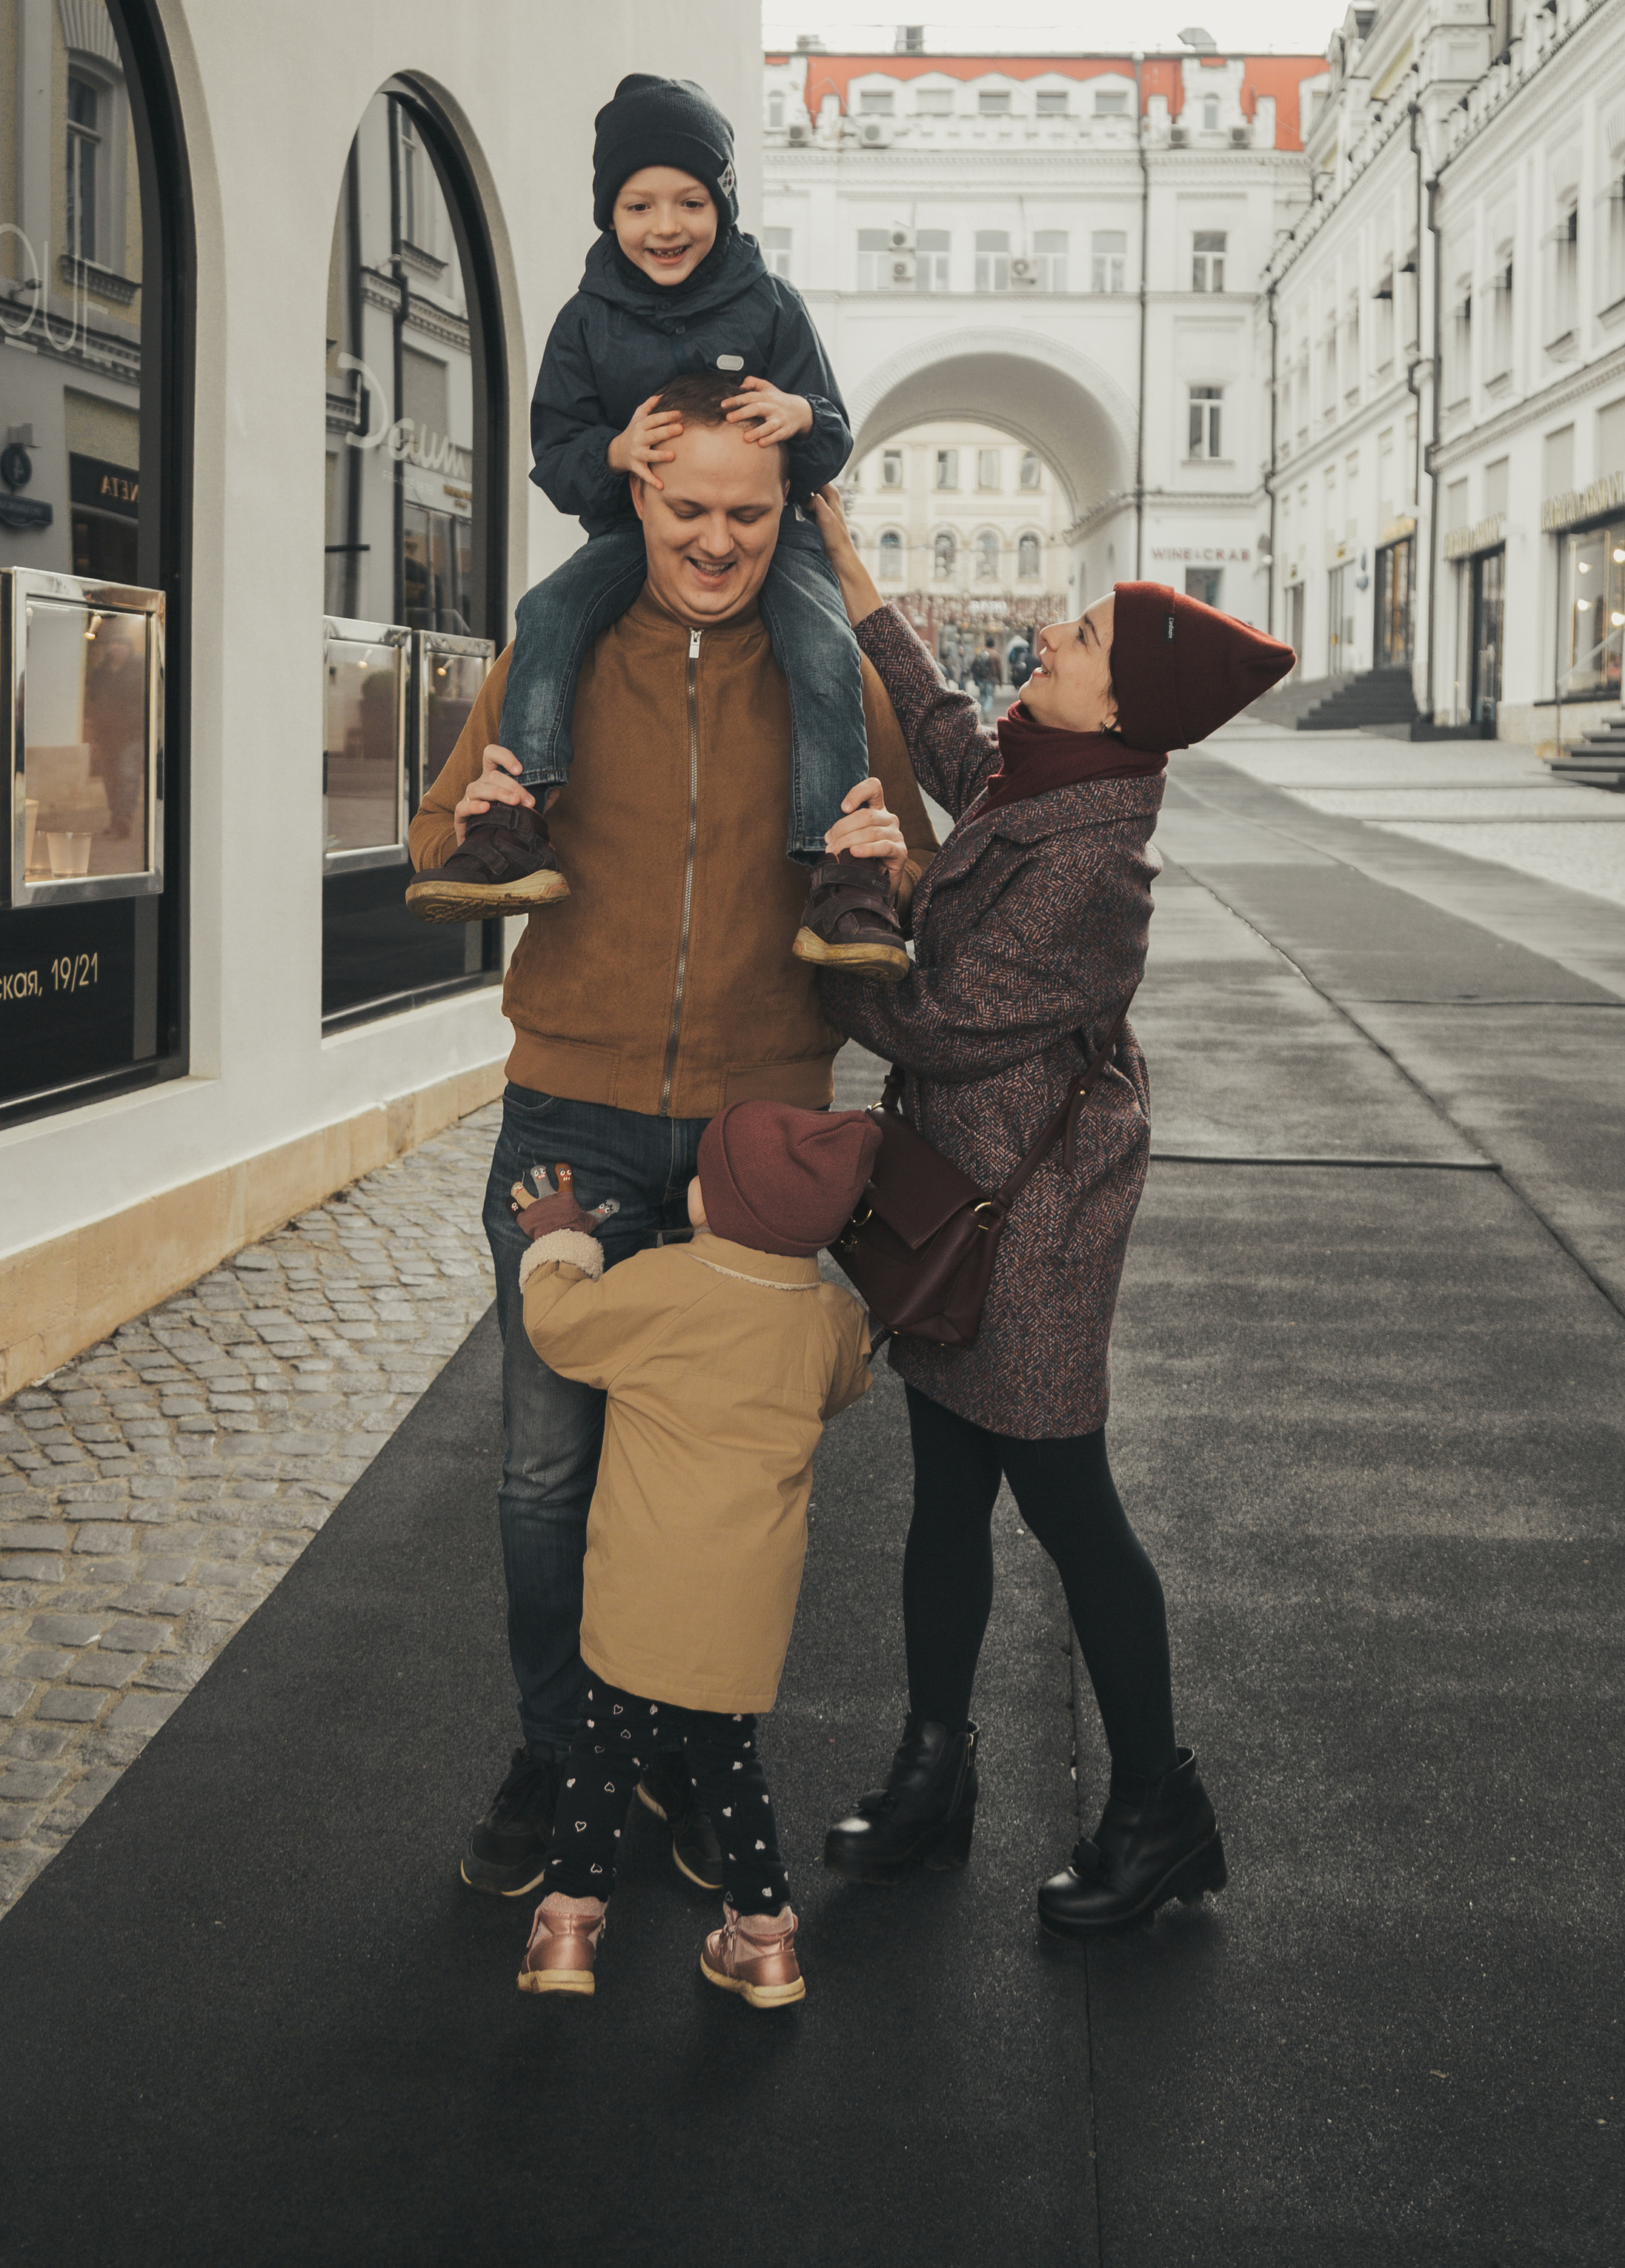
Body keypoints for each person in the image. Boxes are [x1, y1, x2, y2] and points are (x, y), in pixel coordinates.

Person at [405, 387, 937, 1899]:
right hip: (566, 1114)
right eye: (687, 508)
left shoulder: (829, 673)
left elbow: (913, 900)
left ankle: (692, 1750)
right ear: (635, 500)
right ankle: (560, 1746)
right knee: (541, 1475)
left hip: (755, 1129)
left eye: (747, 515)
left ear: (786, 517)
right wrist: (481, 814)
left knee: (724, 1480)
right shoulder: (553, 657)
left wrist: (890, 878)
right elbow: (434, 843)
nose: (715, 541)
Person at [806, 488, 1293, 1937]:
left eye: (1073, 636)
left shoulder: (1093, 858)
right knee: (944, 1499)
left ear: (1120, 697)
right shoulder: (1036, 775)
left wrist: (838, 906)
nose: (1042, 636)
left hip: (1029, 1225)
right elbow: (943, 735)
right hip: (963, 1198)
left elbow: (940, 1024)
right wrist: (849, 576)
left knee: (1072, 1511)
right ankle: (932, 1773)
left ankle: (1156, 1811)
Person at [406, 74, 895, 975]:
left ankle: (843, 874)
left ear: (724, 204)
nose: (664, 225)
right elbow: (553, 453)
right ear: (610, 212)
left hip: (773, 534)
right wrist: (615, 454)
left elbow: (831, 438)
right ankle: (516, 822)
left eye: (690, 201)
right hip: (627, 533)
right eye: (639, 204)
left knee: (825, 650)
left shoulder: (773, 304)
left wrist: (801, 417)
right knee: (546, 615)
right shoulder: (586, 321)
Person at [506, 1102, 878, 2006]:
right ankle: (765, 1943)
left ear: (721, 1204)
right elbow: (842, 1385)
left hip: (640, 1584)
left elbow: (558, 1328)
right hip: (745, 1603)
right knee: (728, 1765)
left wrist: (562, 1242)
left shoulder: (663, 1283)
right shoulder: (828, 1319)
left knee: (603, 1753)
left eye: (705, 1176)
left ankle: (567, 1932)